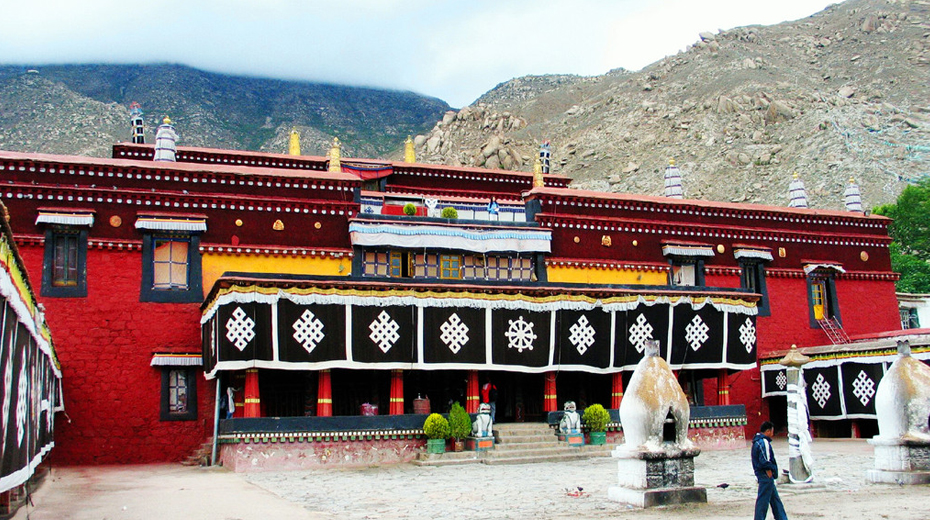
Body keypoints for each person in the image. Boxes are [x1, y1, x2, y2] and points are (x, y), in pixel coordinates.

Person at [752, 421, 788, 520]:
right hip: (765, 475)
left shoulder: (757, 442)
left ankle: (782, 518)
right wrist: (770, 470)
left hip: (763, 475)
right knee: (763, 501)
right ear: (768, 431)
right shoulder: (763, 442)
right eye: (772, 431)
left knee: (775, 500)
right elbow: (765, 460)